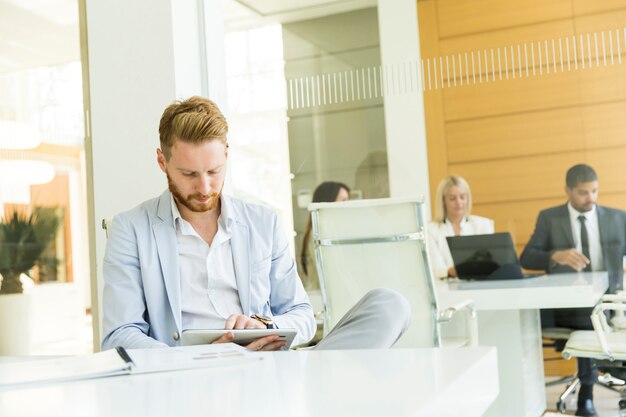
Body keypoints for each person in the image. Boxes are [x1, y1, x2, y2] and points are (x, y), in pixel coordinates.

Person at [101, 96, 410, 352]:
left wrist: (266, 326)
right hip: (188, 374)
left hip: (266, 364)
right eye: (189, 175)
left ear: (226, 155)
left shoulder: (263, 222)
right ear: (162, 161)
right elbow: (120, 335)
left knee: (389, 305)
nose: (205, 188)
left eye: (214, 171)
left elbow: (301, 315)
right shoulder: (131, 229)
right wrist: (203, 357)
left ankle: (321, 385)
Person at [520, 164, 626, 417]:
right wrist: (555, 256)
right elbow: (526, 259)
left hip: (608, 300)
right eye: (583, 192)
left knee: (595, 311)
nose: (591, 198)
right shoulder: (549, 218)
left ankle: (600, 382)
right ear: (568, 190)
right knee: (587, 315)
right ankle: (588, 394)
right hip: (566, 304)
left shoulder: (618, 218)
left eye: (594, 191)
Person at [427, 175, 494, 279]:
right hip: (446, 288)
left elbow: (490, 263)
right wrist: (461, 269)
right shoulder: (430, 230)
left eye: (462, 197)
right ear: (443, 201)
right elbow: (436, 269)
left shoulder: (484, 225)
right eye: (452, 198)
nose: (459, 202)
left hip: (479, 286)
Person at [299, 181, 350, 291]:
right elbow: (333, 271)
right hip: (325, 298)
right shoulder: (320, 231)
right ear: (328, 201)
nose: (347, 204)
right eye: (343, 200)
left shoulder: (330, 229)